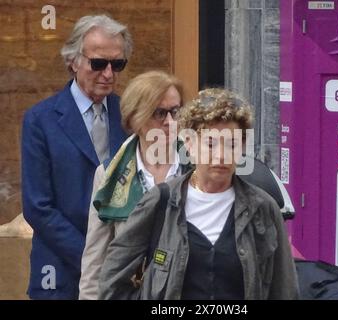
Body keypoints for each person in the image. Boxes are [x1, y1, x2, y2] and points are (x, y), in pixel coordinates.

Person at [98, 88, 299, 300]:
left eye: (232, 144)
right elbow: (112, 279)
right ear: (189, 144)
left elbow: (284, 289)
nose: (221, 155)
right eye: (210, 144)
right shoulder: (161, 202)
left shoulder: (262, 208)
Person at [21, 15, 132, 299]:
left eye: (117, 64)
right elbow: (38, 207)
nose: (108, 74)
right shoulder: (40, 119)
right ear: (74, 60)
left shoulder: (130, 117)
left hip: (122, 272)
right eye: (98, 64)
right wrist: (92, 257)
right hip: (60, 269)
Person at [79, 70, 190, 300]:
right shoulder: (109, 174)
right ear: (135, 119)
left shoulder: (198, 168)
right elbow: (95, 262)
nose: (170, 123)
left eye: (175, 112)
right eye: (160, 113)